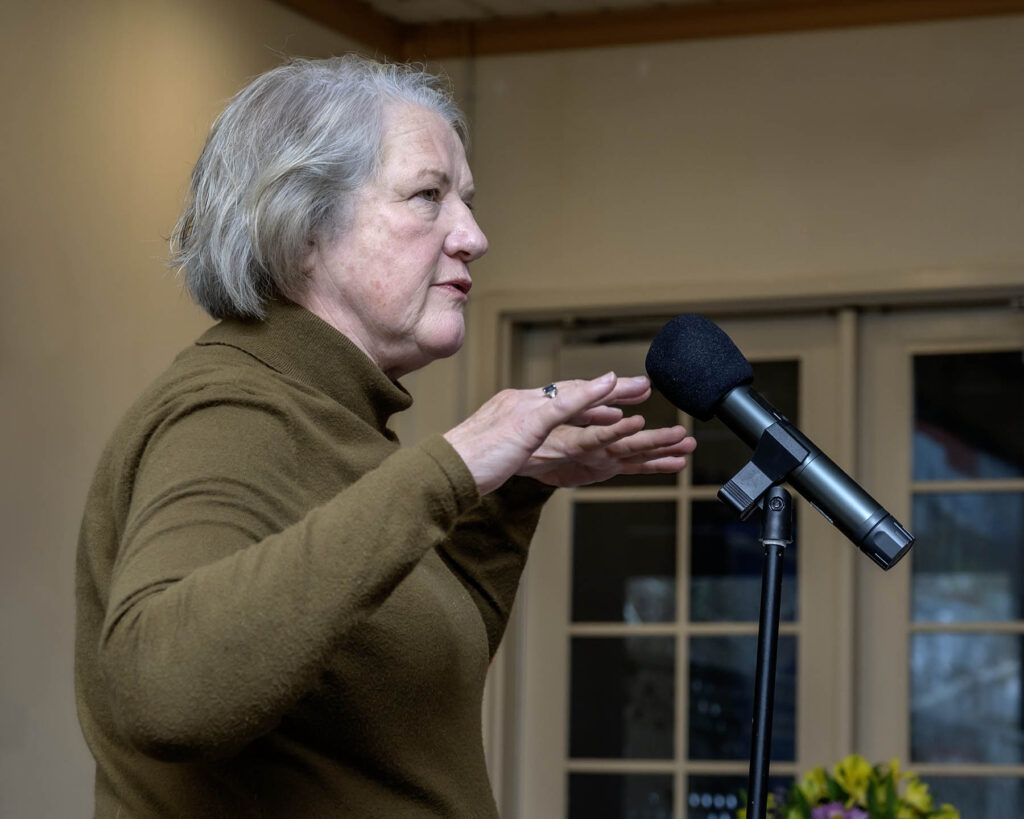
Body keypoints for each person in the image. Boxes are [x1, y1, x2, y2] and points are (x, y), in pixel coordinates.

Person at [74, 55, 696, 817]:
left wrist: (512, 488)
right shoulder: (234, 409)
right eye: (428, 196)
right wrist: (453, 463)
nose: (473, 236)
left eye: (466, 201)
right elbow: (163, 691)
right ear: (302, 227)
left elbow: (411, 699)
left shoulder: (338, 420)